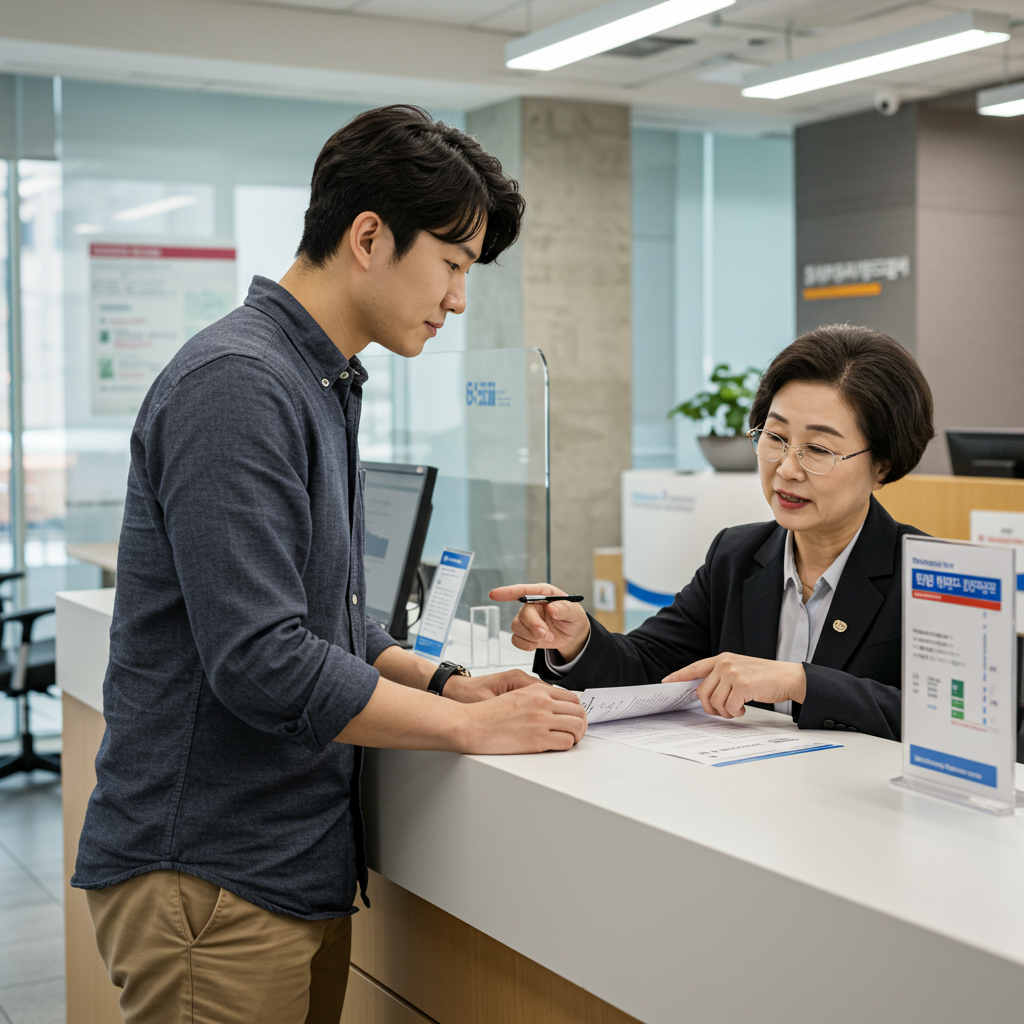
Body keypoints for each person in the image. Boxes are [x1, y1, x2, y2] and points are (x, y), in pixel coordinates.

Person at [71, 105, 586, 1024]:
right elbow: (263, 661)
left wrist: (447, 682)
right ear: (369, 236)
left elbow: (328, 621)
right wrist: (468, 731)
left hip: (282, 870)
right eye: (453, 265)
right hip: (212, 877)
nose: (459, 299)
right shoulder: (239, 384)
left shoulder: (316, 380)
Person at [493, 324, 935, 741]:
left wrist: (799, 681)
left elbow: (963, 720)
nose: (786, 469)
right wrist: (577, 641)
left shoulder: (930, 576)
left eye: (818, 449)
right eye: (775, 437)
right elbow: (651, 665)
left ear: (883, 466)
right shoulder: (737, 555)